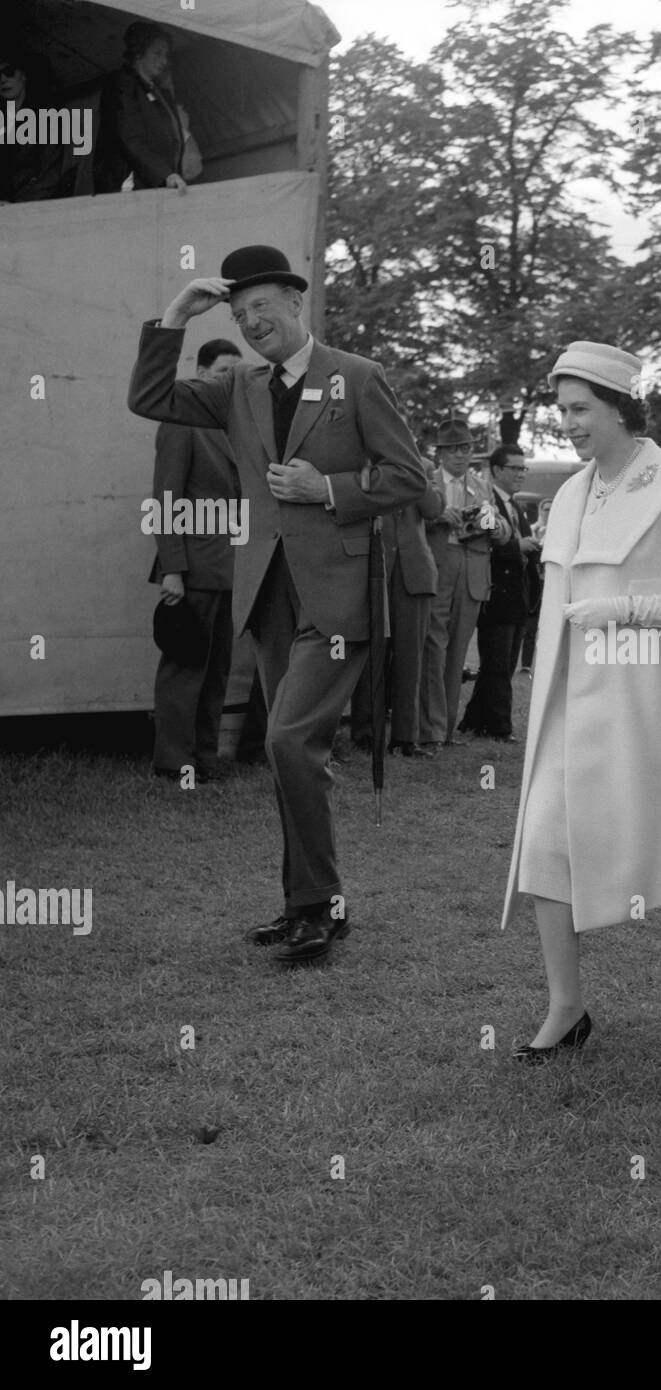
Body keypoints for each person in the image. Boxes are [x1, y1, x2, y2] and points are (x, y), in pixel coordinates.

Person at [127, 244, 428, 964]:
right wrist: (175, 315)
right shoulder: (240, 388)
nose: (253, 321)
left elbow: (407, 476)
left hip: (338, 597)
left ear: (297, 302)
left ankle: (318, 905)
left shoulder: (357, 378)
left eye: (263, 306)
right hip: (264, 594)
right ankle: (310, 905)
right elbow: (149, 398)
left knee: (288, 741)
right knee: (295, 754)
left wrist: (326, 490)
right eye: (238, 313)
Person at [500, 341, 661, 1061]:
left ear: (620, 409)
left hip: (651, 704)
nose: (569, 424)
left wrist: (628, 612)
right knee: (546, 837)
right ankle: (566, 1007)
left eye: (581, 409)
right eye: (562, 411)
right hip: (568, 704)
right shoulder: (573, 492)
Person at [149, 337, 242, 783]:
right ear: (203, 372)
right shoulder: (182, 418)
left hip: (229, 568)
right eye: (224, 371)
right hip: (192, 567)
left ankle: (205, 758)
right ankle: (173, 760)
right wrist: (172, 570)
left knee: (217, 668)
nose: (231, 381)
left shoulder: (235, 424)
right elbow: (166, 496)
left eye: (236, 374)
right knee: (185, 664)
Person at [419, 419, 510, 752]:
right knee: (433, 648)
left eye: (467, 448)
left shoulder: (481, 485)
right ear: (440, 453)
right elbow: (410, 518)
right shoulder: (425, 481)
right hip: (437, 567)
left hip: (471, 570)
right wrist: (438, 515)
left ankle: (444, 732)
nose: (461, 455)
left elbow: (499, 525)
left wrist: (495, 525)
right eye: (454, 449)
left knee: (457, 652)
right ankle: (428, 729)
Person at [349, 477, 445, 756]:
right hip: (372, 570)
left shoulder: (418, 470)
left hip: (413, 575)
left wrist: (412, 469)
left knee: (411, 659)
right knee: (369, 657)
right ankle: (366, 733)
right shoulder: (364, 467)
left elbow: (434, 508)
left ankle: (405, 737)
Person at [459, 444, 538, 740]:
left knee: (502, 665)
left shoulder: (515, 505)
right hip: (496, 593)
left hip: (516, 596)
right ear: (496, 471)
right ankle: (499, 728)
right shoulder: (487, 500)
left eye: (523, 468)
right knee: (497, 664)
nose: (521, 474)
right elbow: (488, 540)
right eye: (515, 468)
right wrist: (521, 545)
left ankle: (473, 721)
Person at [94, 22, 192, 194]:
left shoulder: (161, 93)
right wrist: (165, 175)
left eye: (166, 55)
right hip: (129, 186)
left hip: (161, 183)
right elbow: (130, 139)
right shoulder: (122, 84)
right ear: (139, 53)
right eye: (157, 53)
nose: (164, 60)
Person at [0, 48, 75, 203]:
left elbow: (51, 174)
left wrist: (14, 205)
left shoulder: (48, 113)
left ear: (25, 75)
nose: (2, 79)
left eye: (9, 71)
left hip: (34, 206)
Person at [517, 498, 553, 674]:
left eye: (550, 509)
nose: (547, 512)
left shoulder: (558, 531)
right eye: (545, 509)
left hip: (549, 582)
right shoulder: (531, 529)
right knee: (530, 622)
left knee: (548, 625)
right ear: (540, 510)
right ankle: (526, 663)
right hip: (534, 580)